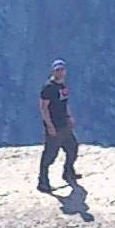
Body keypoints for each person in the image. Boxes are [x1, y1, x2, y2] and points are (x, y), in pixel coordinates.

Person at [37, 58, 81, 192]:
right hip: (55, 126)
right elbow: (43, 107)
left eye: (62, 70)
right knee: (50, 154)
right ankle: (43, 181)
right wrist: (49, 125)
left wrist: (70, 116)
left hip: (64, 124)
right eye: (57, 70)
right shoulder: (48, 88)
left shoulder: (63, 86)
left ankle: (68, 172)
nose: (60, 72)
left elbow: (64, 103)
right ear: (53, 71)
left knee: (73, 148)